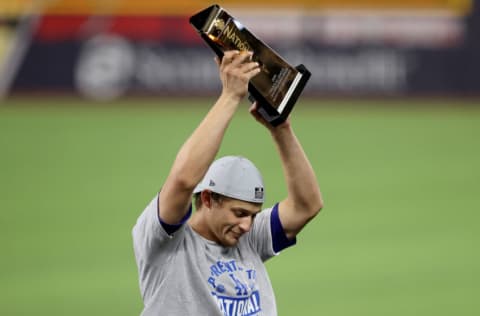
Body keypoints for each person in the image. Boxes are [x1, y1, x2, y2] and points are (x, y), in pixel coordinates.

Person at [132, 50, 323, 315]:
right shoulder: (165, 241)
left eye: (253, 216)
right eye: (239, 213)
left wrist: (281, 129)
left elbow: (307, 206)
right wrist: (230, 96)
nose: (246, 225)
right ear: (208, 198)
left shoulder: (249, 238)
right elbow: (184, 180)